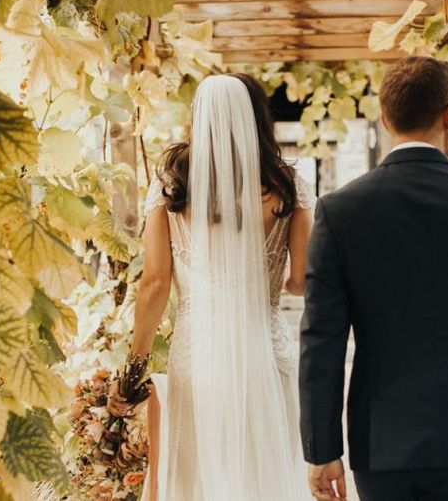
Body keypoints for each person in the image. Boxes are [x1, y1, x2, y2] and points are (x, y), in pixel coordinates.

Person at [300, 56, 448, 501]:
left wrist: (322, 449)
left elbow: (322, 341)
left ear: (385, 118)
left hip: (384, 439)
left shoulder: (340, 211)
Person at [131, 73, 314, 501]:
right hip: (267, 354)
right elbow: (301, 281)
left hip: (200, 357)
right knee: (266, 473)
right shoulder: (288, 186)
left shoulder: (170, 187)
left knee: (196, 478)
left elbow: (155, 283)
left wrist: (134, 365)